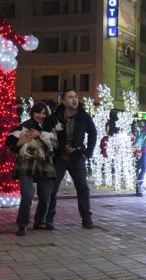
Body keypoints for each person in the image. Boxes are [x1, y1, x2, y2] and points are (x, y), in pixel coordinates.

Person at [45, 90, 97, 229]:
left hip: (77, 157)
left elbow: (93, 133)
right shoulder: (54, 117)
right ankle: (49, 218)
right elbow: (49, 137)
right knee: (52, 188)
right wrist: (63, 147)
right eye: (70, 97)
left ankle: (86, 219)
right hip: (60, 157)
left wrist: (88, 153)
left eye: (75, 97)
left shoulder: (83, 116)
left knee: (83, 188)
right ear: (63, 101)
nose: (74, 99)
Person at [5, 102, 57, 236]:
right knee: (27, 194)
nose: (41, 115)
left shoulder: (49, 128)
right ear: (32, 113)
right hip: (26, 163)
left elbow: (55, 145)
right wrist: (18, 143)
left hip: (44, 164)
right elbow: (10, 143)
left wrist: (39, 135)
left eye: (44, 113)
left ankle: (40, 221)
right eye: (38, 112)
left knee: (46, 195)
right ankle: (22, 225)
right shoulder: (23, 127)